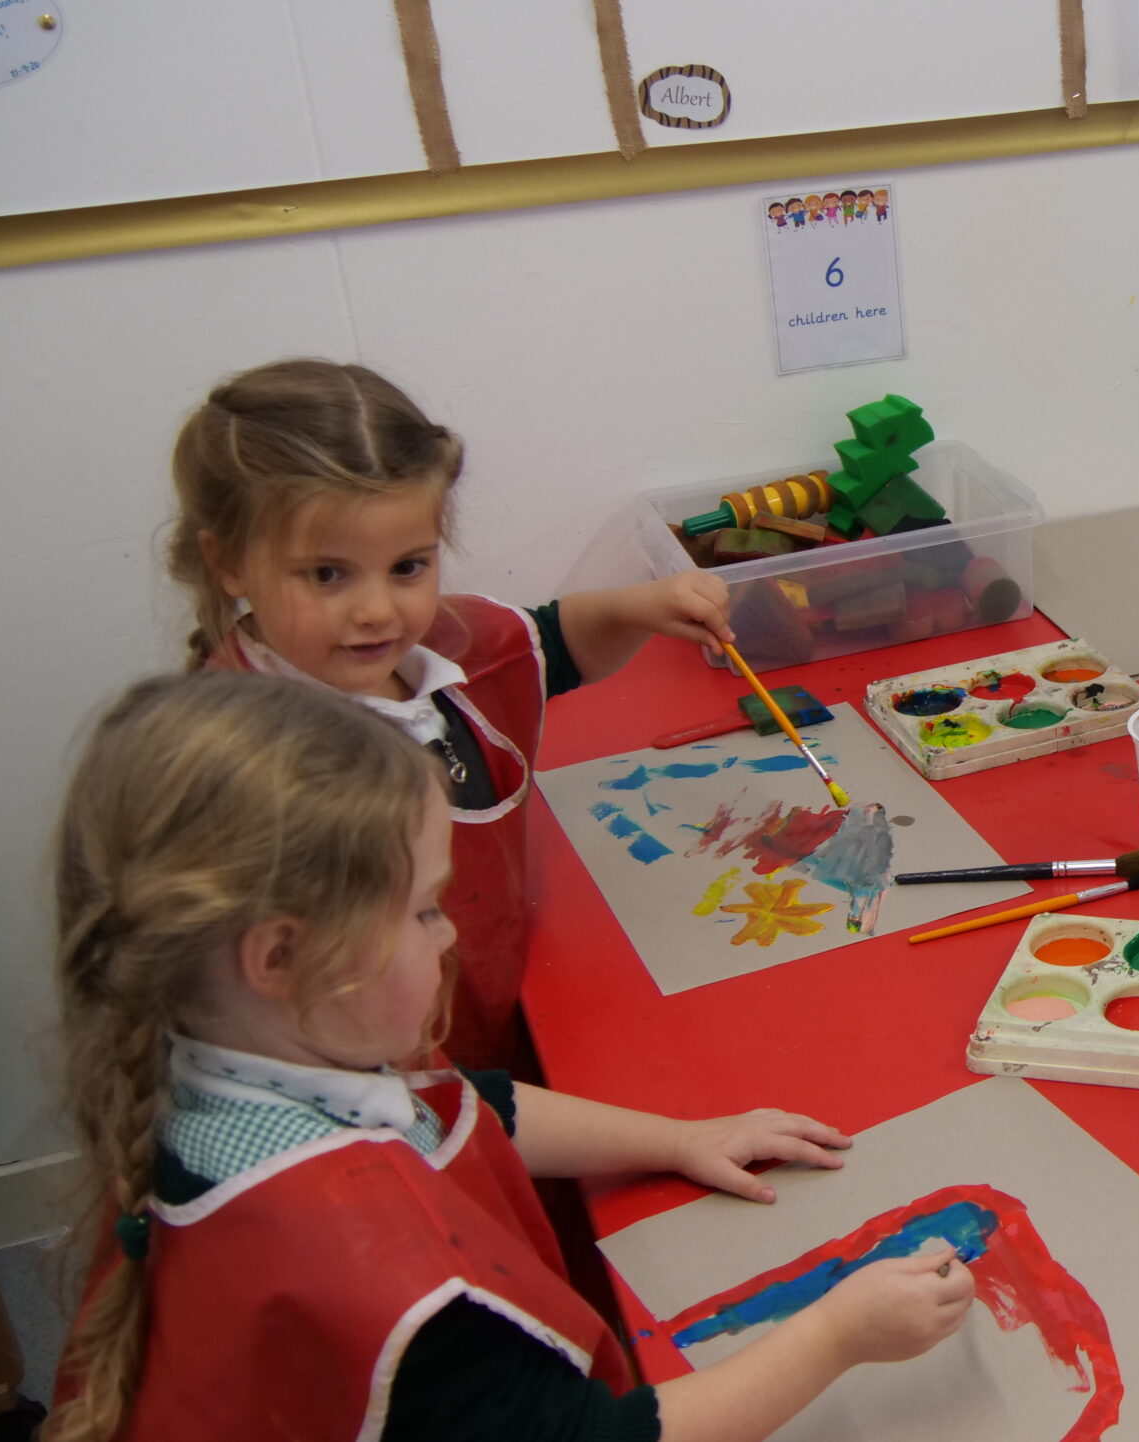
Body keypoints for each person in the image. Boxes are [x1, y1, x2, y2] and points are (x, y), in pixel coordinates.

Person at [46, 670, 974, 1442]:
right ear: (281, 958)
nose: (449, 934)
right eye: (423, 910)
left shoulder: (222, 1054)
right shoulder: (402, 1295)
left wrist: (681, 1138)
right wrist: (837, 1335)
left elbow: (465, 1106)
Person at [168, 359, 734, 1072]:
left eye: (408, 566)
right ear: (229, 564)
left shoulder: (444, 643)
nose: (377, 611)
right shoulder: (243, 773)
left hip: (505, 1025)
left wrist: (638, 607)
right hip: (388, 1085)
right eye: (327, 574)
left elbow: (550, 643)